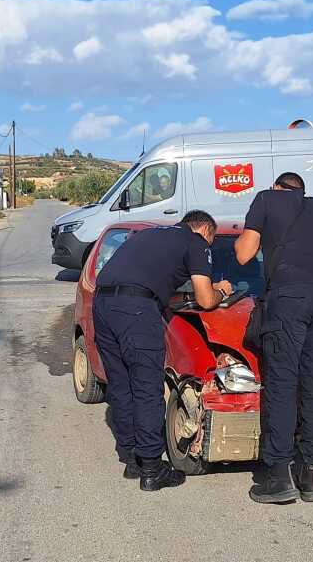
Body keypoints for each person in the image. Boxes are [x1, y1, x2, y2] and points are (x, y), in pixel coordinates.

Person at [93, 210, 234, 491]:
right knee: (147, 387)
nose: (210, 246)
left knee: (121, 385)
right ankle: (152, 469)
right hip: (136, 310)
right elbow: (207, 301)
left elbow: (154, 280)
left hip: (103, 304)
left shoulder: (150, 234)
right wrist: (223, 291)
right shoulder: (196, 242)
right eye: (212, 240)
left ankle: (131, 459)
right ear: (205, 230)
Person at [234, 172, 313, 504]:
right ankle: (311, 476)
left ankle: (278, 477)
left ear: (277, 187)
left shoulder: (266, 198)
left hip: (289, 300)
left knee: (281, 385)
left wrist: (251, 235)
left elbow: (243, 254)